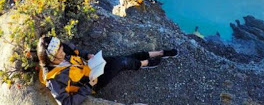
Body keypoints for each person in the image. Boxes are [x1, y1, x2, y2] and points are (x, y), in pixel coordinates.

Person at [37, 35, 178, 105]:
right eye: (58, 54)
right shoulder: (53, 80)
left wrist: (86, 55)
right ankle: (146, 63)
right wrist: (88, 87)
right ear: (50, 59)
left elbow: (75, 51)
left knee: (122, 58)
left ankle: (157, 53)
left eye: (61, 49)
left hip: (90, 66)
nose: (62, 53)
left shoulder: (60, 52)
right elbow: (67, 103)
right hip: (93, 83)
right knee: (121, 63)